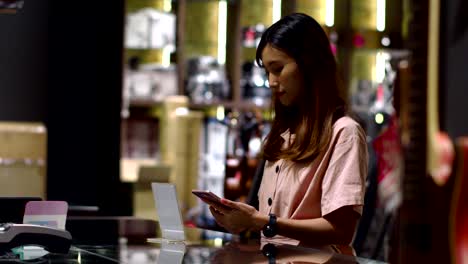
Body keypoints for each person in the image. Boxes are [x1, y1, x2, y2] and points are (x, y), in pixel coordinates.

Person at [202, 13, 368, 255]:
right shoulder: (281, 135)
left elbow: (341, 230)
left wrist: (262, 222)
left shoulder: (344, 133)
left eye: (278, 69)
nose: (271, 82)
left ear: (309, 64)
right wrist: (240, 220)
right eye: (267, 72)